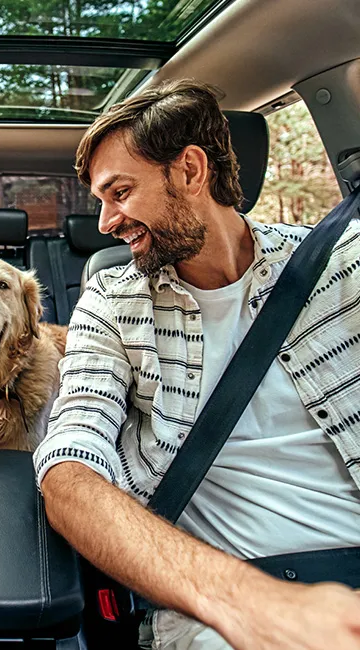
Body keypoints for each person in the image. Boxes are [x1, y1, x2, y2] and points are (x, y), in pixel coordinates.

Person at [34, 79, 360, 650]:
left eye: (120, 192)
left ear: (189, 171)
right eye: (101, 201)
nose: (106, 221)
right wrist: (249, 604)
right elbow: (68, 470)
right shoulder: (111, 302)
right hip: (215, 600)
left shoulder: (344, 265)